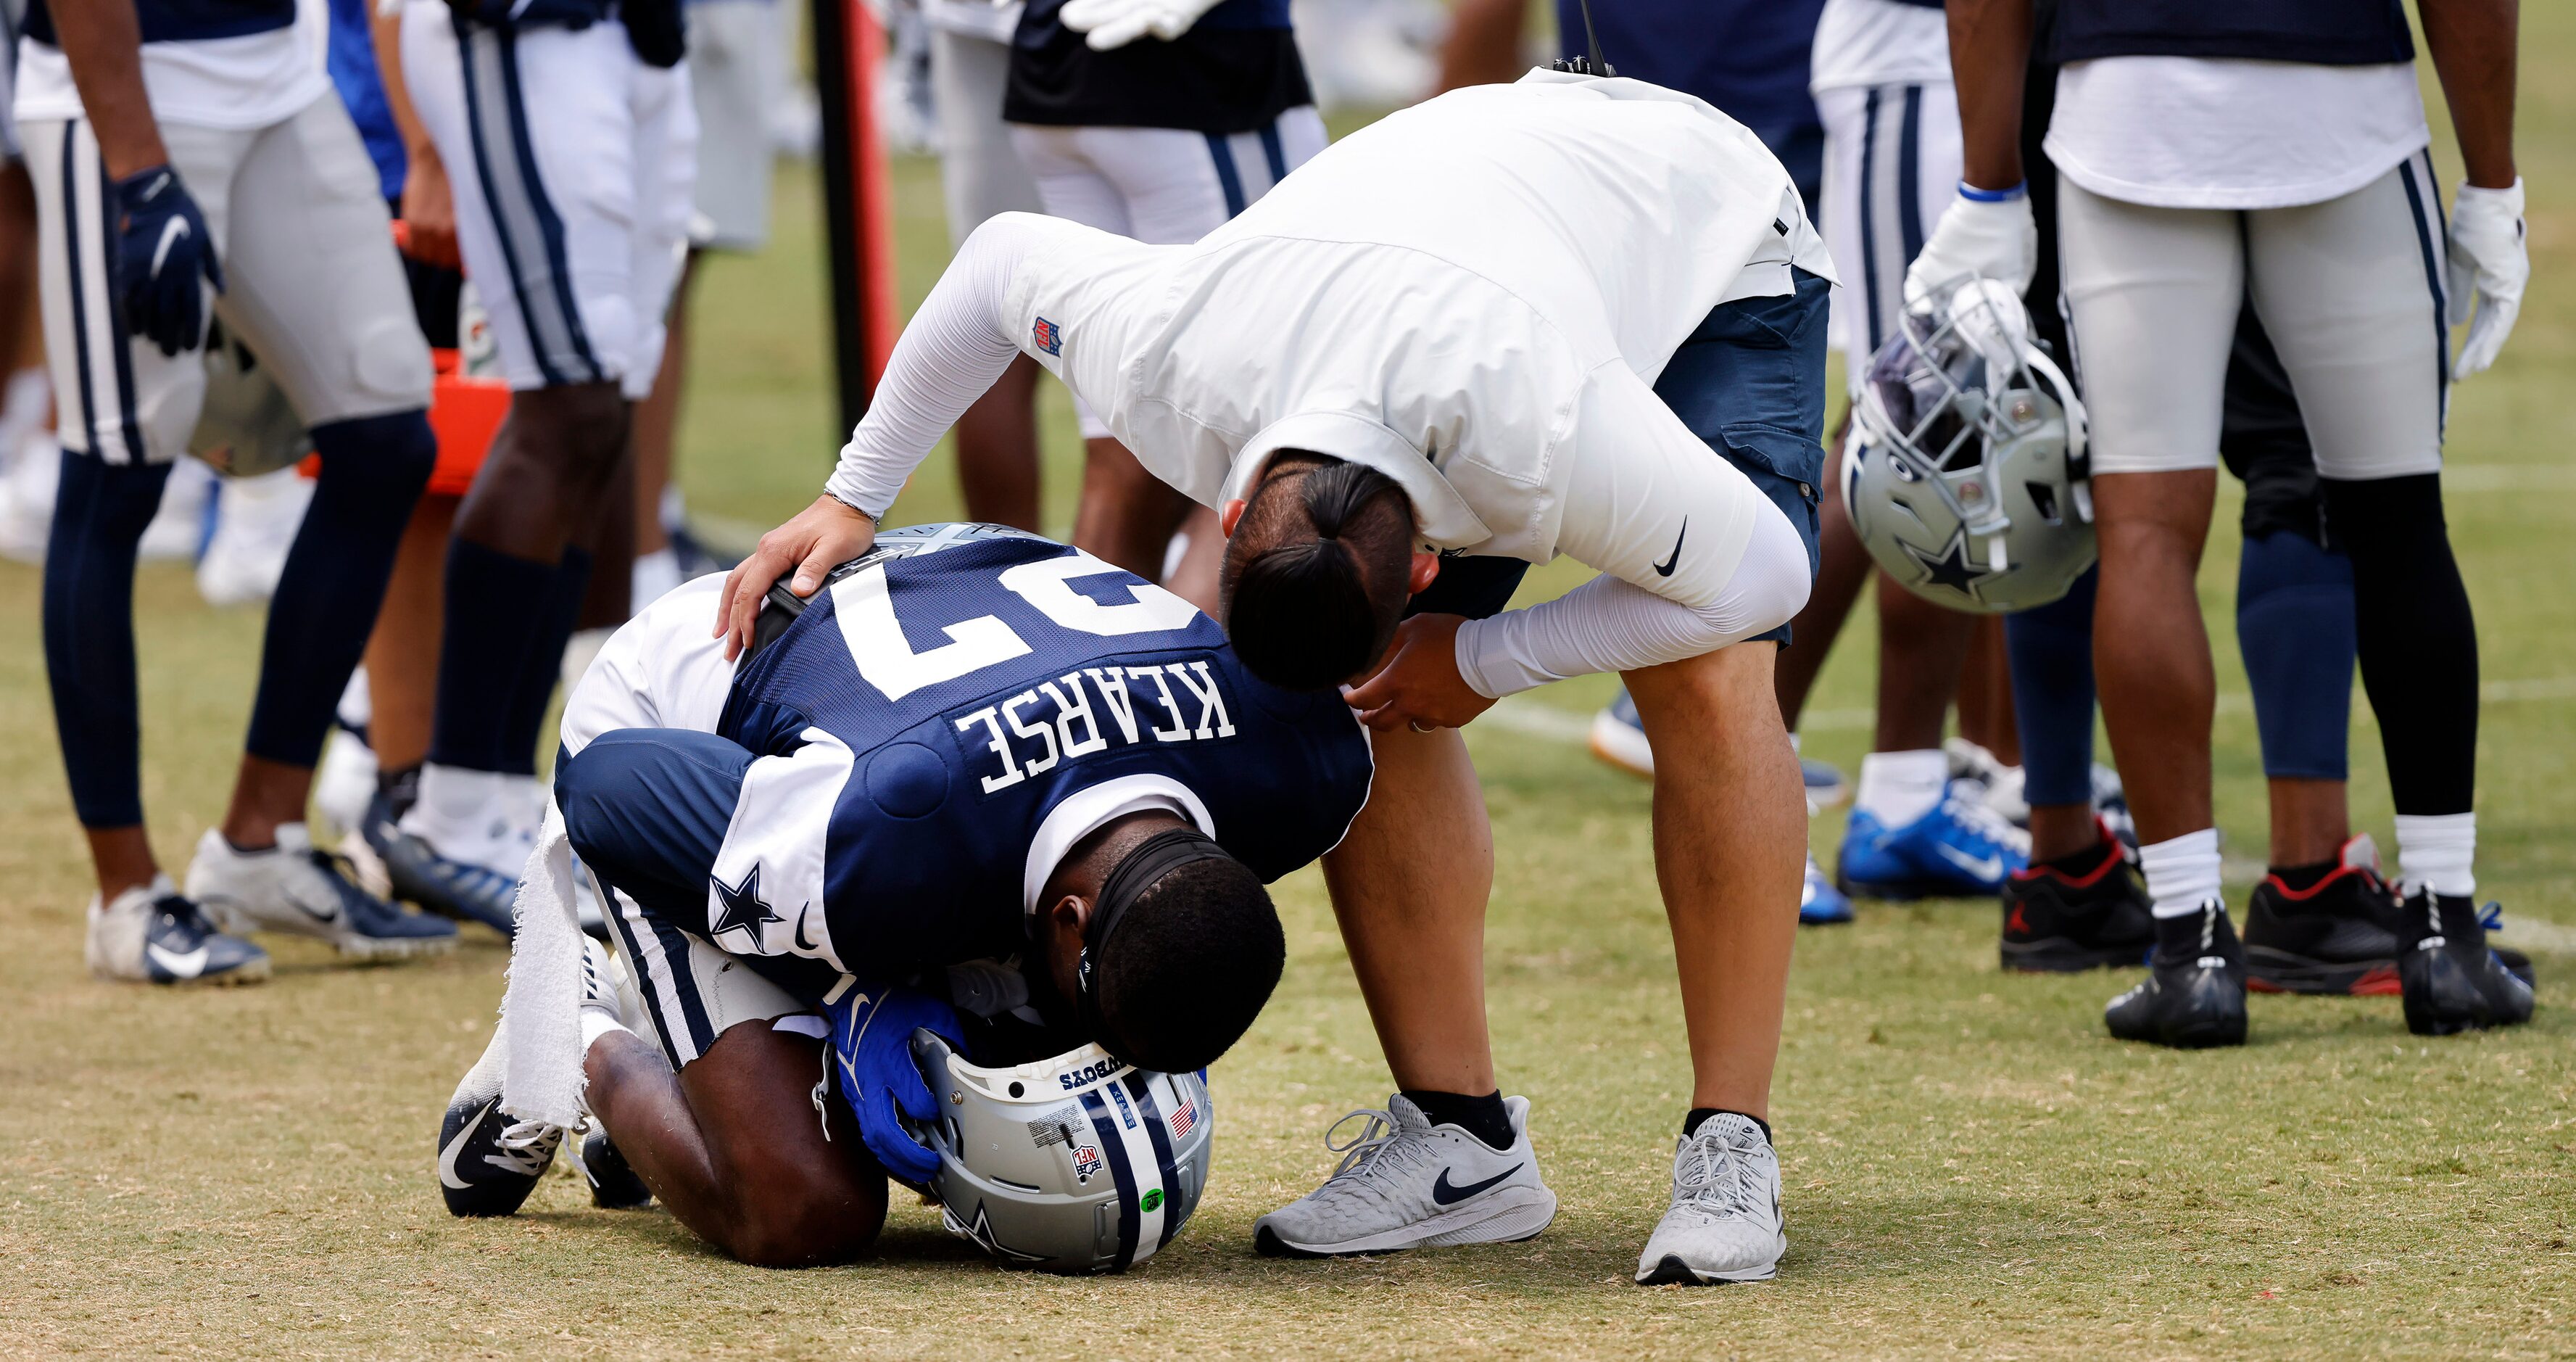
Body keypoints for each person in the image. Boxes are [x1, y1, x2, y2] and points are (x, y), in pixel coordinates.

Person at [718, 72, 1832, 1284]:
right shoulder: (1176, 352)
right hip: (1456, 228)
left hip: (1700, 228)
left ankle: (1731, 1141)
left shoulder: (1546, 427)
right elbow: (995, 267)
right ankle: (1461, 1143)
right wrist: (851, 493)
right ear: (1236, 504)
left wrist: (1479, 654)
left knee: (1703, 662)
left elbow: (1765, 574)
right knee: (1361, 696)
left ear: (1423, 563)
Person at [435, 524, 1371, 1267]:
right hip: (688, 724)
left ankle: (712, 1055)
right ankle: (586, 1033)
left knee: (1020, 1058)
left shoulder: (1299, 764)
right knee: (803, 1202)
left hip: (952, 622)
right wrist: (854, 984)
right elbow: (609, 786)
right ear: (1068, 917)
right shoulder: (887, 830)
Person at [1920, 0, 2532, 1042]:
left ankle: (2189, 943)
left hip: (2126, 108)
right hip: (2337, 105)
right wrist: (2491, 179)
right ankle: (2442, 930)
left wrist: (1989, 183)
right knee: (2395, 518)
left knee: (2144, 529)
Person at [23, 0, 460, 983]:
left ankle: (257, 843)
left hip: (275, 69)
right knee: (116, 473)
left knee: (386, 436)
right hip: (125, 88)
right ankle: (125, 896)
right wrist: (135, 168)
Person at [368, 0, 697, 931]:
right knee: (564, 405)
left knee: (603, 409)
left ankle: (505, 793)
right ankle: (453, 804)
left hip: (632, 34)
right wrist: (422, 151)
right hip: (517, 27)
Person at [1003, 0, 1325, 606]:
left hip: (1052, 64)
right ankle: (1207, 697)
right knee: (1254, 448)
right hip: (1194, 79)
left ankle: (1093, 685)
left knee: (1118, 449)